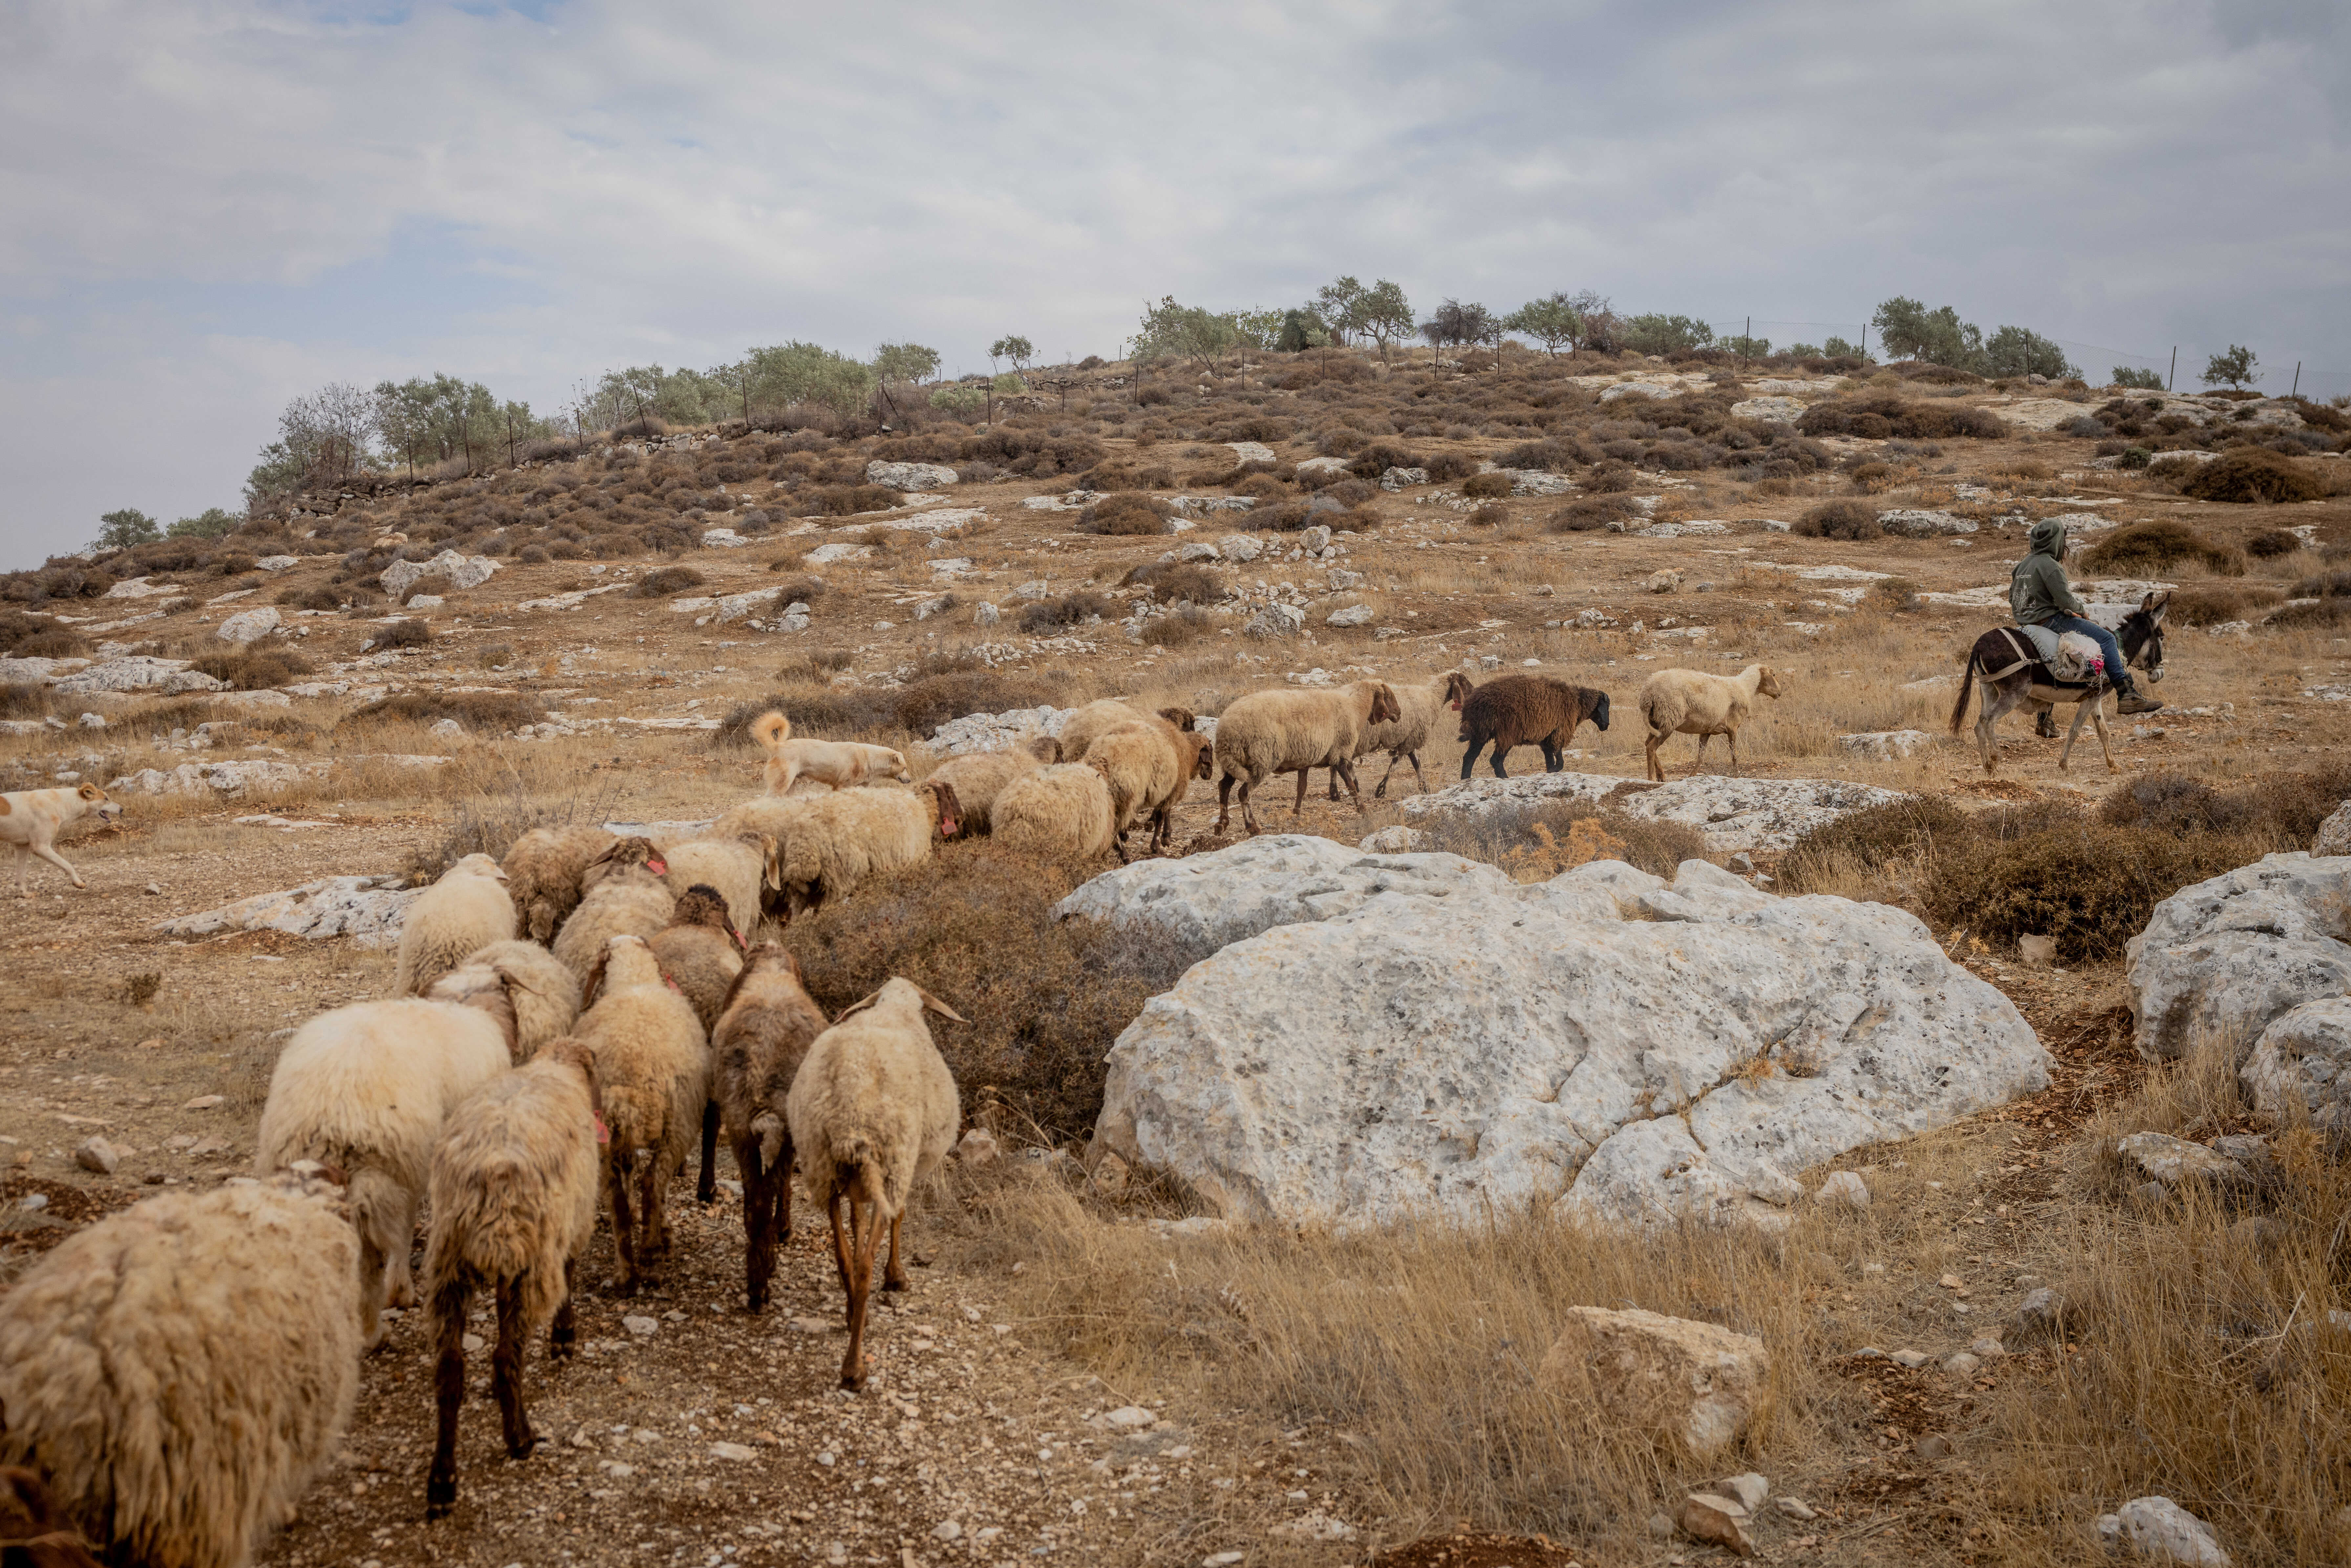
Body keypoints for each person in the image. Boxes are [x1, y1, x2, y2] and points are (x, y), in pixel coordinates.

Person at [2010, 518, 2162, 716]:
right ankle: (2127, 695)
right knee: (2107, 639)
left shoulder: (2022, 566)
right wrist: (2081, 611)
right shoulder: (2051, 565)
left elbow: (2013, 598)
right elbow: (2066, 601)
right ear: (2057, 541)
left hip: (2025, 623)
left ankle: (2045, 716)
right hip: (2050, 621)